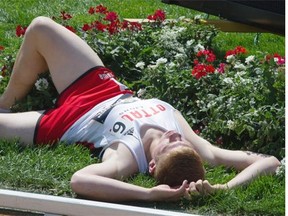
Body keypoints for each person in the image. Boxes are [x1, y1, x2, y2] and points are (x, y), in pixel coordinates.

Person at [0, 16, 280, 202]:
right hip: (100, 88)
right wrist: (225, 187)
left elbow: (80, 180)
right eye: (182, 141)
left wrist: (148, 194)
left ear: (154, 164)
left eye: (171, 144)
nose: (175, 137)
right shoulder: (191, 144)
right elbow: (269, 162)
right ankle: (7, 102)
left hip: (67, 121)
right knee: (40, 28)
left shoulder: (129, 156)